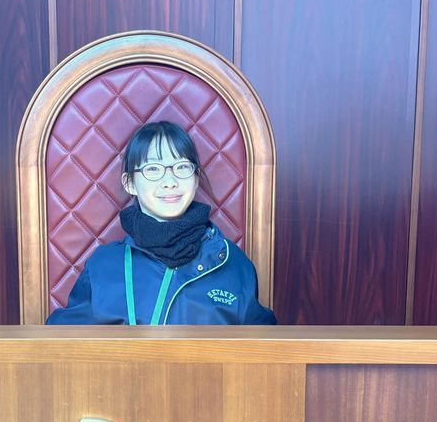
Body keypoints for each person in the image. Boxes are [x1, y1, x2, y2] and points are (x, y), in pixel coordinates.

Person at [46, 120, 276, 325]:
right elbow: (61, 344)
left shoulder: (232, 262)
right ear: (129, 183)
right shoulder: (103, 264)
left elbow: (264, 348)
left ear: (196, 178)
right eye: (153, 169)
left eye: (182, 167)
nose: (170, 181)